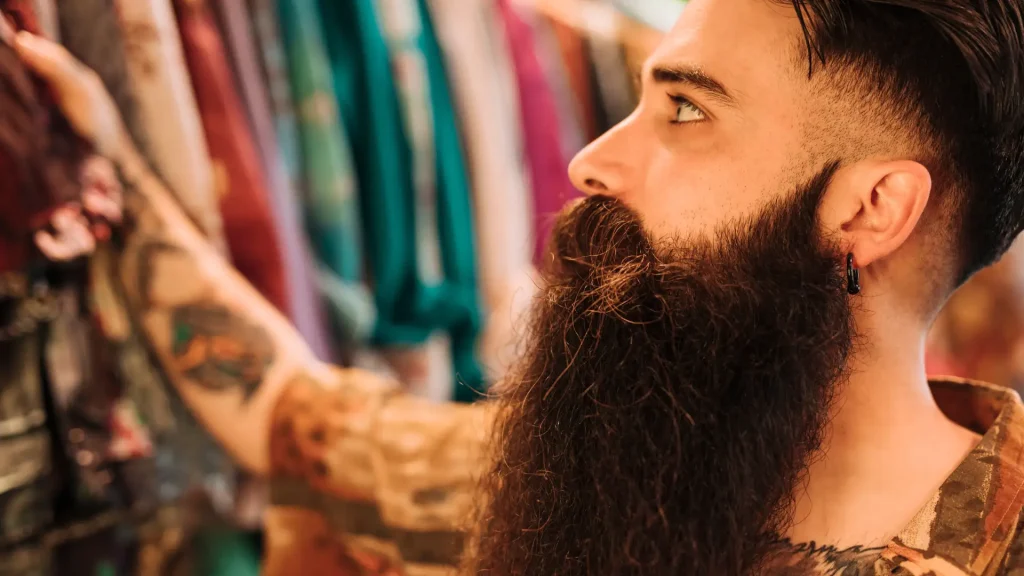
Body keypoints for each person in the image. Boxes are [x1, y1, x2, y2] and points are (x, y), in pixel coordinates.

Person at [12, 0, 1024, 573]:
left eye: (684, 114)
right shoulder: (592, 487)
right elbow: (290, 410)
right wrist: (110, 170)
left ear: (868, 209)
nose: (588, 161)